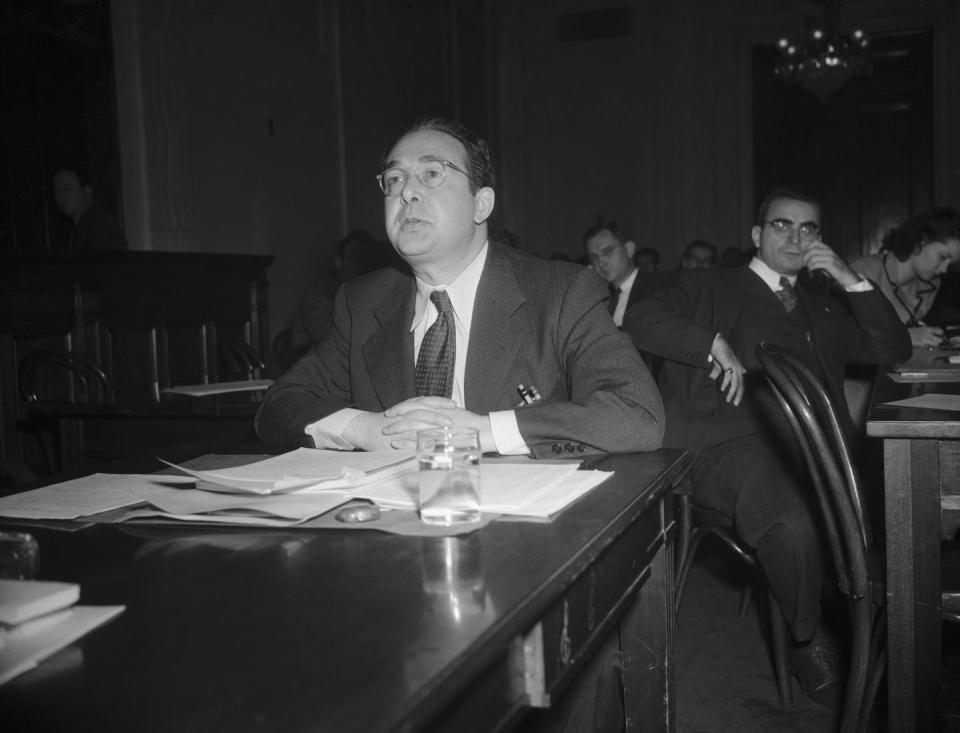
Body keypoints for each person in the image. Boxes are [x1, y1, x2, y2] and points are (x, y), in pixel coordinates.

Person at [624, 185, 911, 708]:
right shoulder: (709, 284)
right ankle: (807, 636)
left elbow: (893, 347)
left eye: (808, 229)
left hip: (818, 454)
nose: (795, 237)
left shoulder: (823, 309)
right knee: (792, 516)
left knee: (900, 506)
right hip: (724, 448)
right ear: (758, 234)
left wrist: (849, 279)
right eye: (782, 225)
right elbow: (639, 319)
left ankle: (876, 633)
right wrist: (707, 340)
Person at [256, 118, 664, 461]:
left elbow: (636, 414)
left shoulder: (559, 291)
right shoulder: (363, 302)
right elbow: (279, 405)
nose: (406, 192)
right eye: (394, 179)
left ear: (481, 204)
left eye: (432, 174)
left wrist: (480, 432)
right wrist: (366, 429)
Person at [272, 229, 387, 373]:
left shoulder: (376, 292)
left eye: (365, 260)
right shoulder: (320, 296)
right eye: (353, 258)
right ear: (339, 262)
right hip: (312, 372)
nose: (359, 266)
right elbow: (331, 341)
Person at [850, 206, 960, 347]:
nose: (944, 269)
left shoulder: (931, 284)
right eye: (942, 257)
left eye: (951, 263)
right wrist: (906, 336)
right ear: (922, 240)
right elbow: (841, 335)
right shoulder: (864, 271)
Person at [583, 221, 644, 327]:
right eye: (594, 257)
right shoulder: (601, 300)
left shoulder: (659, 289)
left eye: (606, 252)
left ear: (629, 249)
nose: (600, 262)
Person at [52, 168, 128, 250]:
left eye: (68, 188)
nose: (61, 196)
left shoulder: (98, 225)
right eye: (57, 190)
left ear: (87, 191)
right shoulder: (80, 226)